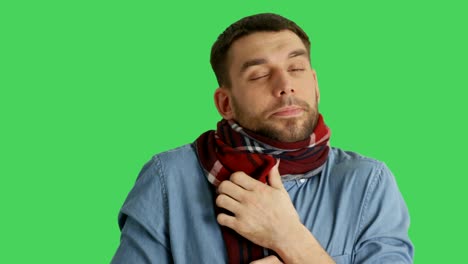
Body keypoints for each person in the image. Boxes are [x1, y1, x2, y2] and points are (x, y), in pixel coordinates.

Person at [111, 13, 414, 264]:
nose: (285, 86)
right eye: (258, 75)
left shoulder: (368, 182)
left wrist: (291, 239)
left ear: (315, 84)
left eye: (296, 68)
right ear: (225, 103)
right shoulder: (168, 178)